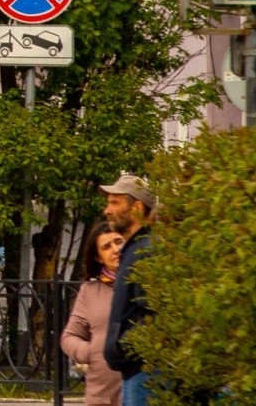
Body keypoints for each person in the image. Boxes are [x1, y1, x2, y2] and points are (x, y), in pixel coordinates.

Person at [100, 172, 157, 406]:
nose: (107, 210)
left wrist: (123, 346)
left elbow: (154, 313)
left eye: (115, 202)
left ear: (136, 207)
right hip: (135, 372)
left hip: (145, 372)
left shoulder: (146, 252)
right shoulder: (134, 250)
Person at [61, 221, 126, 406]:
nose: (115, 249)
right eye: (107, 246)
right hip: (103, 394)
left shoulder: (147, 282)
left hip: (143, 389)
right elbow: (69, 336)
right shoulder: (90, 291)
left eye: (118, 241)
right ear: (98, 257)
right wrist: (91, 352)